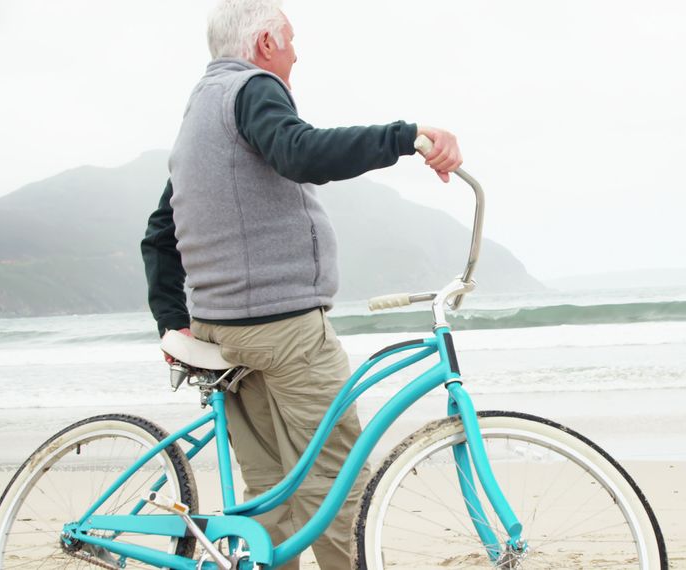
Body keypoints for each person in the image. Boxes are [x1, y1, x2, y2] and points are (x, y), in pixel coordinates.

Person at [140, 1, 462, 567]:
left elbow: (159, 231)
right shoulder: (252, 89)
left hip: (225, 332)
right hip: (284, 331)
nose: (296, 51)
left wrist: (173, 318)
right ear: (265, 44)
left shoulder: (198, 115)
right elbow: (300, 151)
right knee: (340, 485)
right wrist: (406, 136)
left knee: (270, 492)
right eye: (290, 38)